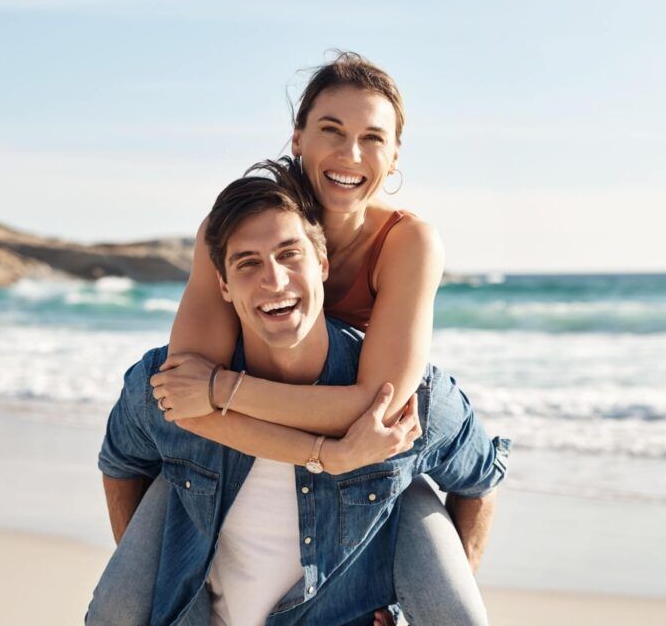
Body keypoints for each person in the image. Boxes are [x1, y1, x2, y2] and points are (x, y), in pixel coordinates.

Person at [91, 167, 509, 625]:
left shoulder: (405, 406)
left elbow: (481, 480)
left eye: (290, 255)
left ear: (323, 266)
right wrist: (159, 573)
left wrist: (416, 599)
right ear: (223, 286)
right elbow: (122, 463)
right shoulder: (171, 386)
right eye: (247, 263)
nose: (273, 280)